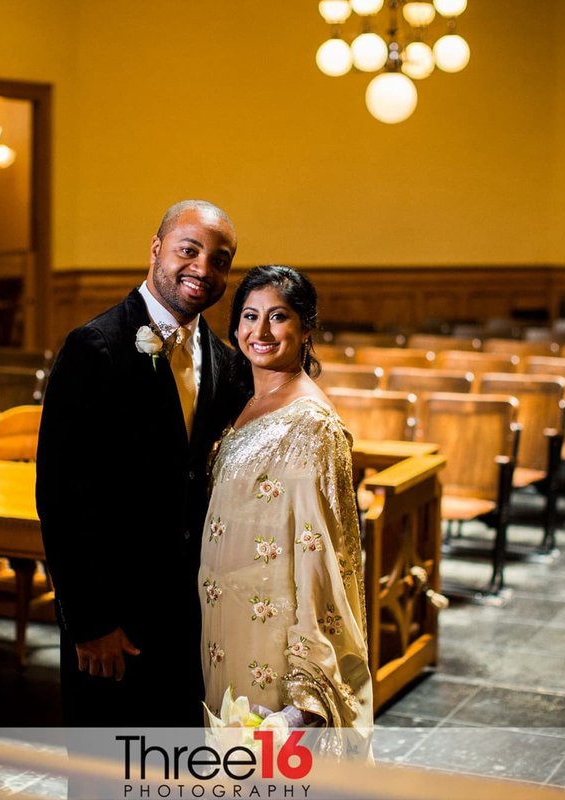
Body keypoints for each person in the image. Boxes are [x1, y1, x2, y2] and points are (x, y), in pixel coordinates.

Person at [36, 199, 248, 729]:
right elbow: (60, 496)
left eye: (219, 259)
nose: (203, 268)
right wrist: (89, 621)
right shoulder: (94, 347)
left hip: (190, 615)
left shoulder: (224, 361)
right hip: (113, 620)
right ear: (156, 250)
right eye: (189, 250)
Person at [199, 265, 373, 758]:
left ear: (306, 328)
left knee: (271, 766)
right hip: (224, 622)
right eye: (250, 317)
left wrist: (304, 693)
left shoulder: (314, 426)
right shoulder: (246, 401)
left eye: (278, 317)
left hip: (274, 640)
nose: (261, 331)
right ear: (234, 329)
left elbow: (323, 559)